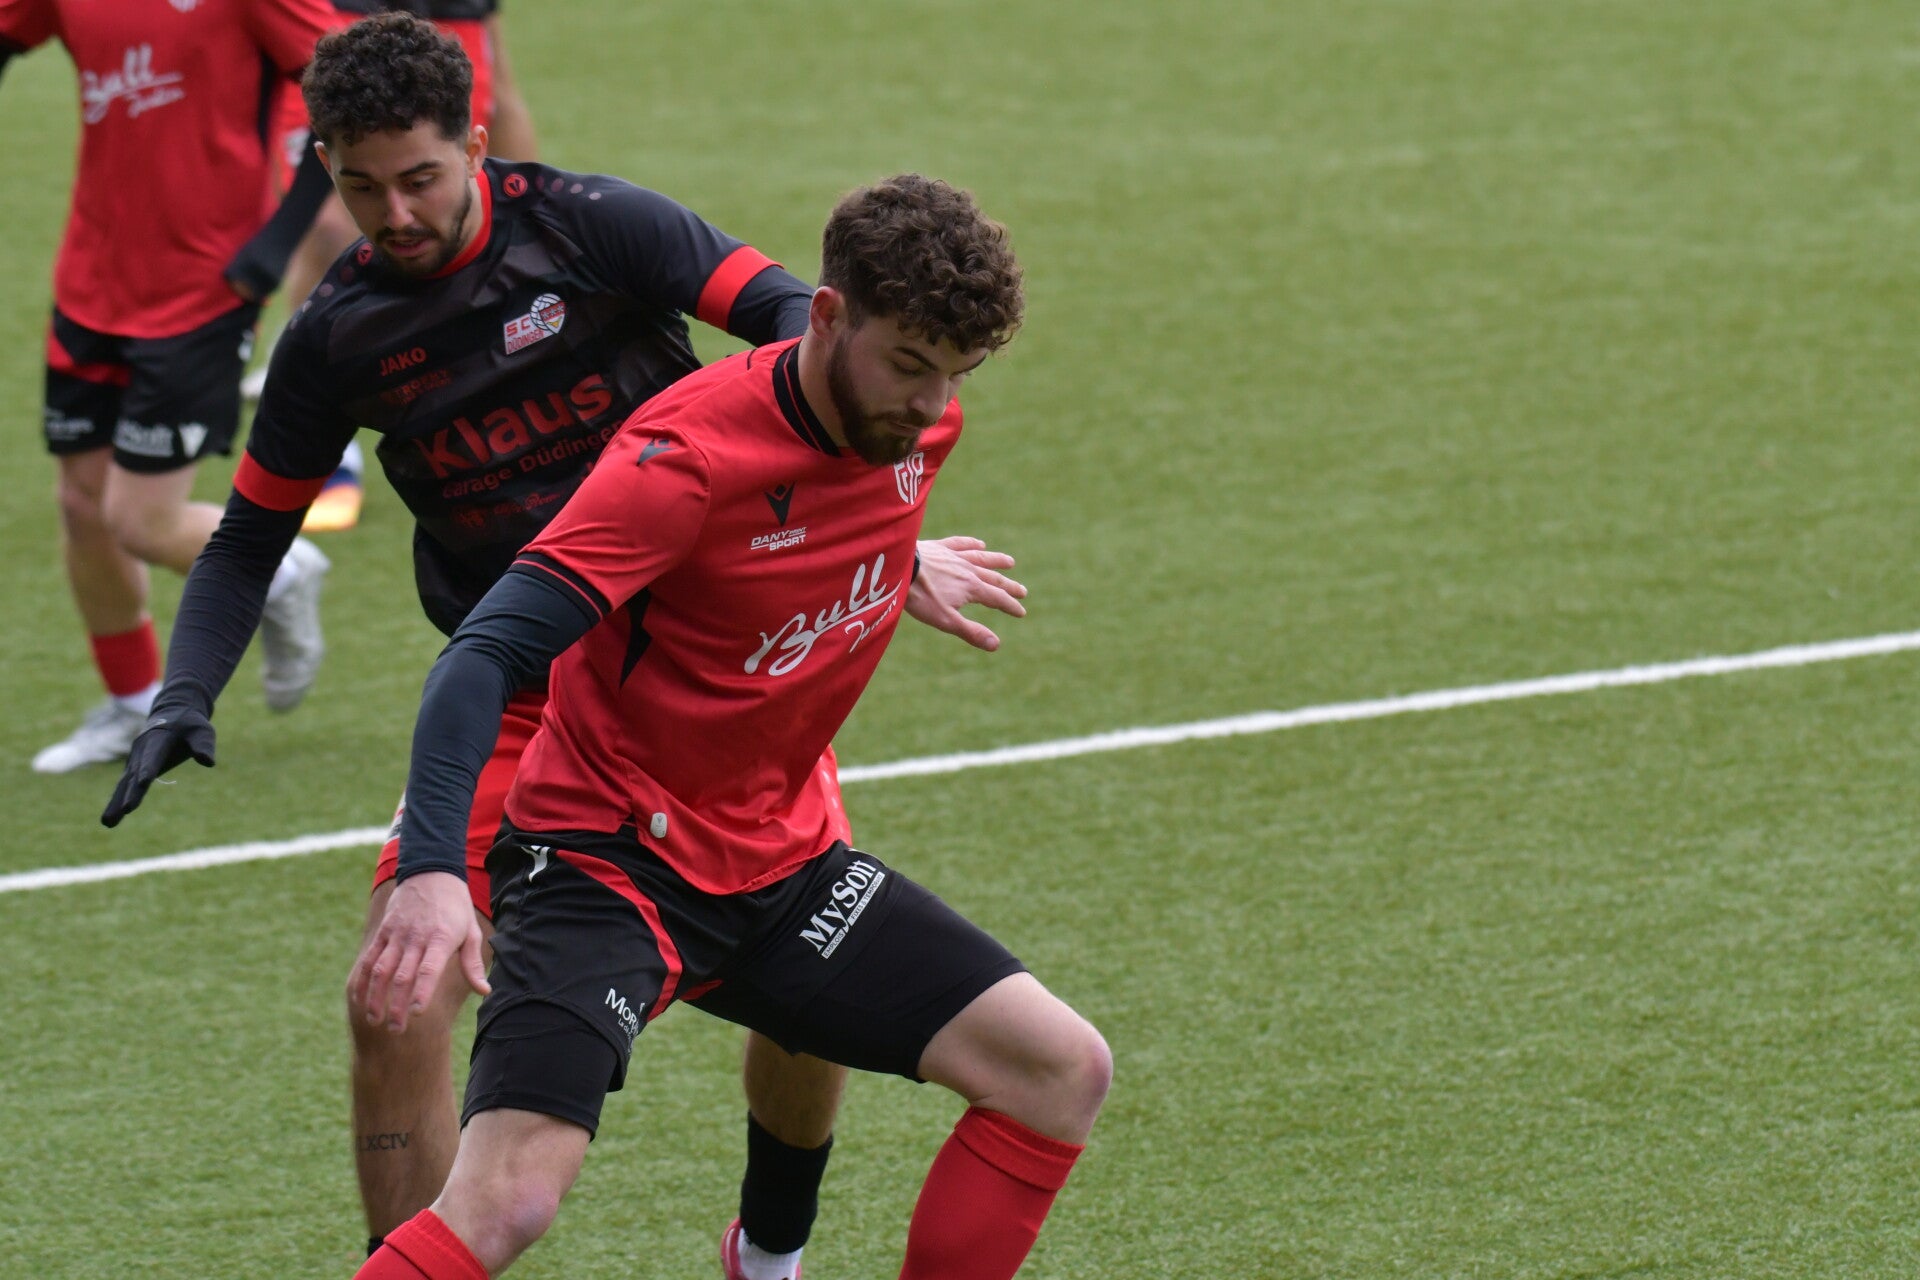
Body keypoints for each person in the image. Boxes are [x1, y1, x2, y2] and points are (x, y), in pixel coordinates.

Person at [100, 15, 1028, 1278]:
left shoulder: (595, 226)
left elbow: (803, 342)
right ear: (324, 168)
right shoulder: (338, 333)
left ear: (476, 141)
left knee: (808, 990)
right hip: (511, 693)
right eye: (361, 187)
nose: (396, 213)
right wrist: (184, 688)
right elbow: (250, 536)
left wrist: (859, 546)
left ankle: (769, 1250)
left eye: (422, 176)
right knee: (396, 992)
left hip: (702, 665)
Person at [347, 172, 1109, 1280]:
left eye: (958, 373)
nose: (931, 404)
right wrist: (428, 869)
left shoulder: (912, 425)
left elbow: (813, 524)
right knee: (509, 1199)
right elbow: (482, 655)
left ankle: (762, 1255)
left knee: (1061, 1069)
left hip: (780, 862)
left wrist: (896, 563)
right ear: (827, 316)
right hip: (608, 862)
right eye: (909, 364)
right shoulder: (680, 462)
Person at [0, 0, 340, 773]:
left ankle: (278, 570)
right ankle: (131, 705)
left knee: (139, 520)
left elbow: (352, 88)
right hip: (91, 278)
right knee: (81, 506)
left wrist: (278, 243)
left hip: (204, 289)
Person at [243, 0, 542, 533]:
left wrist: (536, 213)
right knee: (331, 218)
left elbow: (502, 103)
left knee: (455, 192)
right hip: (326, 15)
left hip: (449, 12)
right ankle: (324, 424)